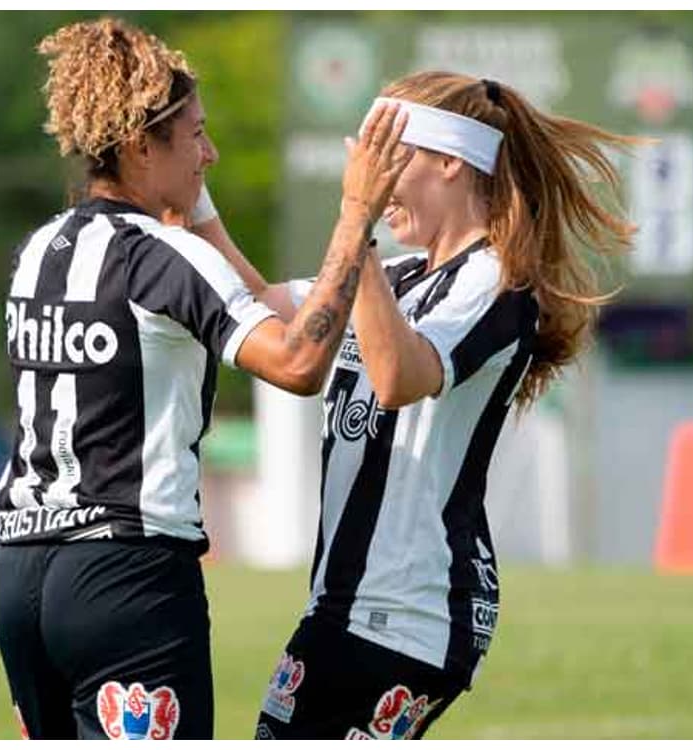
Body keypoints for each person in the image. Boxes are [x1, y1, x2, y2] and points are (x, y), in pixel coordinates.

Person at [0, 18, 412, 740]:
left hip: (21, 576)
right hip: (128, 579)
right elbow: (298, 362)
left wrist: (197, 205)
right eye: (195, 136)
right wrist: (355, 216)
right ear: (138, 145)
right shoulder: (158, 256)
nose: (209, 153)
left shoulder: (39, 250)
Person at [194, 71, 635, 739]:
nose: (371, 180)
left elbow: (400, 374)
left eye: (385, 161)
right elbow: (259, 304)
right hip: (352, 605)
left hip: (405, 612)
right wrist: (186, 196)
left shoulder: (496, 281)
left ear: (451, 161)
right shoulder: (399, 273)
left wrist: (357, 224)